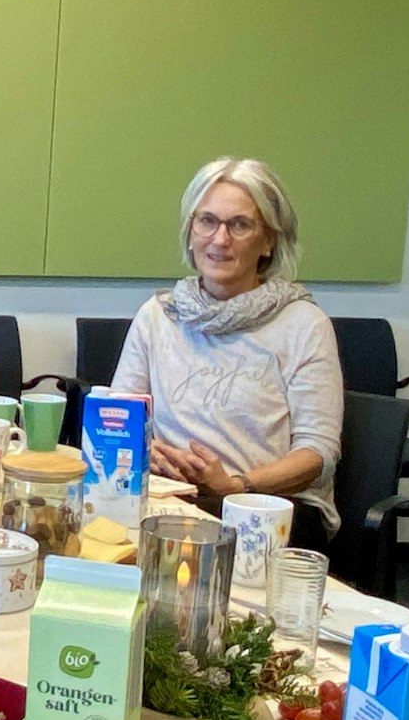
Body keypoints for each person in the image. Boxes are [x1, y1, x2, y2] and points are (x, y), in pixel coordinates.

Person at [111, 157, 342, 544]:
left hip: (268, 506)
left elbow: (318, 454)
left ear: (269, 240)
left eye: (240, 225)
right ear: (190, 232)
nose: (220, 239)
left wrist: (236, 485)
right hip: (170, 499)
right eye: (207, 221)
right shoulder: (157, 316)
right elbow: (118, 419)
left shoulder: (304, 324)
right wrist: (146, 447)